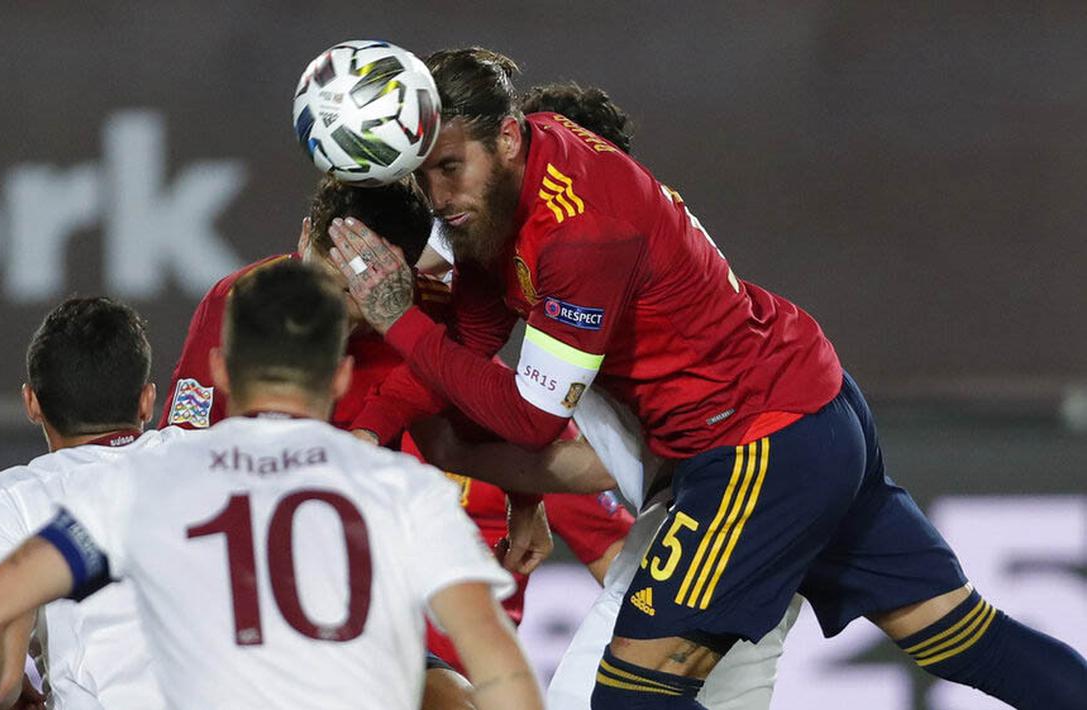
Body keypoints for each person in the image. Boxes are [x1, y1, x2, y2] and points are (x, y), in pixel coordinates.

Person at [329, 47, 1087, 709]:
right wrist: (372, 429)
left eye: (449, 168)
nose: (438, 197)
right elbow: (475, 337)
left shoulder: (584, 231)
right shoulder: (515, 176)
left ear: (505, 135)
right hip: (806, 408)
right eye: (422, 175)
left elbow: (530, 417)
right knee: (960, 638)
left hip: (757, 445)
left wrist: (397, 317)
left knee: (633, 696)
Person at [0, 262, 544, 710]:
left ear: (220, 372)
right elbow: (493, 668)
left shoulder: (146, 484)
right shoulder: (399, 490)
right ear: (341, 378)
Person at [411, 80, 804, 710]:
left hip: (742, 510)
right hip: (720, 505)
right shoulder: (550, 281)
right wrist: (520, 490)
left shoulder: (614, 287)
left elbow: (590, 460)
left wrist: (478, 462)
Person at [159, 173, 637, 679]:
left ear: (401, 277)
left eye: (354, 293)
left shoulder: (433, 319)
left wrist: (524, 495)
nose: (332, 316)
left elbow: (498, 413)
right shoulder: (242, 303)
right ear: (304, 236)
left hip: (373, 610)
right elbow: (180, 456)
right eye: (324, 280)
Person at [0, 297, 174, 709]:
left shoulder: (13, 499)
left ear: (32, 403)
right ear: (147, 400)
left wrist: (8, 691)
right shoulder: (202, 459)